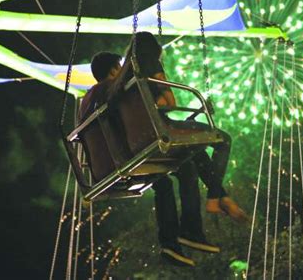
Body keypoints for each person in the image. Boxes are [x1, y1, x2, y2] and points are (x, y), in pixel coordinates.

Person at [79, 52, 219, 267]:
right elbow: (157, 106)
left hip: (105, 166)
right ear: (114, 70)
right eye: (119, 67)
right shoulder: (112, 88)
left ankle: (170, 245)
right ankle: (190, 229)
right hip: (128, 154)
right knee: (188, 165)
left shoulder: (86, 100)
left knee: (162, 183)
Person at [109, 32, 248, 223]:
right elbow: (170, 103)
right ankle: (215, 197)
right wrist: (161, 98)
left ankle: (222, 197)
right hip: (162, 130)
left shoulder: (123, 78)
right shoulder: (151, 65)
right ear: (153, 49)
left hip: (141, 137)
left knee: (197, 150)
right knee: (223, 140)